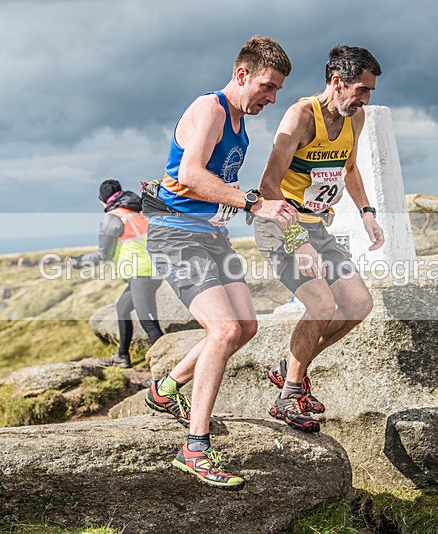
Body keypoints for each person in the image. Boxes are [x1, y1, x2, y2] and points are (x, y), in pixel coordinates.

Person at [143, 36, 299, 491]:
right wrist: (252, 204)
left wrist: (285, 213)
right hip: (176, 236)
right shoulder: (210, 108)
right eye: (267, 87)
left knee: (246, 327)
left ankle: (165, 389)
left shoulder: (238, 121)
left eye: (277, 92)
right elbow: (189, 175)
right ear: (242, 73)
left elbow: (211, 183)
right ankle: (195, 446)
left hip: (211, 236)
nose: (271, 98)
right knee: (225, 330)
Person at [254, 45, 384, 433]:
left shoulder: (354, 119)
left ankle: (290, 367)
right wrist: (300, 239)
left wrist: (367, 214)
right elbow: (267, 185)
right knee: (322, 305)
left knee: (358, 304)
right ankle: (289, 395)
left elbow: (349, 170)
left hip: (316, 227)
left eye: (369, 92)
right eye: (360, 90)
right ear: (337, 82)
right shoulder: (300, 117)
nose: (364, 99)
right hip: (280, 224)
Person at [67, 179, 163, 368]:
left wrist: (77, 262)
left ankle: (163, 375)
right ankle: (122, 356)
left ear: (102, 200)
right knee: (122, 309)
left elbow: (104, 255)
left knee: (151, 327)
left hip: (141, 274)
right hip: (152, 271)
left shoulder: (113, 218)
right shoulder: (137, 211)